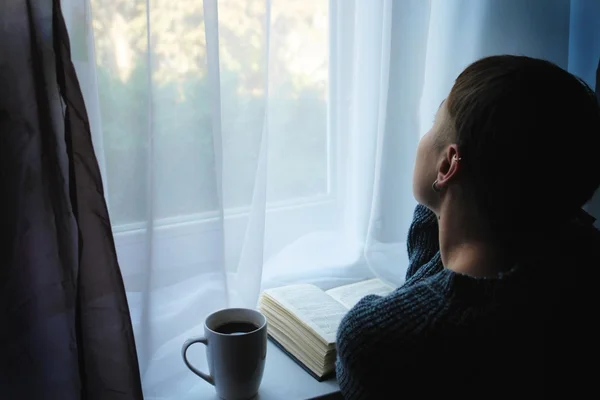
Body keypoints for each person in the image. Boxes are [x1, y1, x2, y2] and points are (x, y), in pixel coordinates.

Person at [335, 55, 600, 399]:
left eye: (434, 123)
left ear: (447, 164)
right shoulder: (581, 258)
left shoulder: (373, 341)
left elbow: (416, 308)